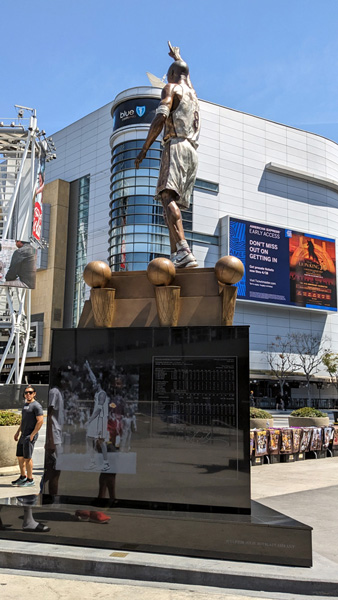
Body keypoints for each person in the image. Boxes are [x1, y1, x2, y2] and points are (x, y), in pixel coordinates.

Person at [135, 42, 200, 268]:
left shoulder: (171, 89)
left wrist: (144, 149)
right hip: (192, 151)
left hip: (175, 144)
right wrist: (178, 57)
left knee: (167, 196)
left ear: (172, 75)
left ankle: (182, 249)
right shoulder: (193, 94)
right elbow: (187, 76)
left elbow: (160, 118)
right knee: (170, 201)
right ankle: (176, 255)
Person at [12, 386, 44, 487]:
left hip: (29, 435)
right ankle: (23, 477)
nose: (28, 394)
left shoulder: (36, 406)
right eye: (26, 393)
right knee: (20, 457)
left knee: (27, 458)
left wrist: (33, 434)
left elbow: (40, 421)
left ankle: (30, 479)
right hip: (23, 435)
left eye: (30, 392)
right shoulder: (25, 405)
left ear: (34, 393)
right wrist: (18, 432)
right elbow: (23, 420)